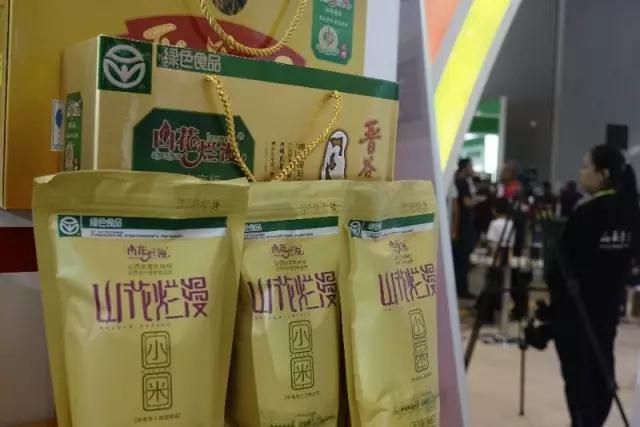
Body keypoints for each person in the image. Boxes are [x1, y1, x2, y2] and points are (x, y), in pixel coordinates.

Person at [549, 145, 640, 427]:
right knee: (601, 375)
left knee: (579, 382)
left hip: (577, 315)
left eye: (586, 167)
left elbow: (558, 269)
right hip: (608, 311)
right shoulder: (632, 213)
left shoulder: (586, 214)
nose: (581, 173)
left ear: (603, 174)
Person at [452, 158, 477, 299]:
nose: (472, 169)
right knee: (463, 259)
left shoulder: (456, 181)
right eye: (471, 166)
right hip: (462, 226)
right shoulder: (462, 182)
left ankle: (459, 288)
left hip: (459, 227)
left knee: (460, 259)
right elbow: (466, 203)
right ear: (465, 168)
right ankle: (462, 289)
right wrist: (477, 200)